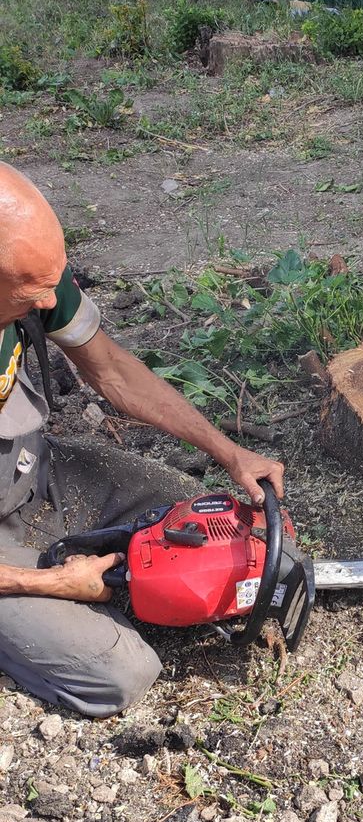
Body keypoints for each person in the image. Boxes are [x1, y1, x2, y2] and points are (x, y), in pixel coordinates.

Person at [0, 162, 284, 717]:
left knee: (193, 518)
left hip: (29, 469)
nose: (44, 302)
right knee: (120, 674)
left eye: (49, 283)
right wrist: (53, 582)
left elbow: (112, 372)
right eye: (28, 292)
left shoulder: (36, 277)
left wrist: (228, 451)